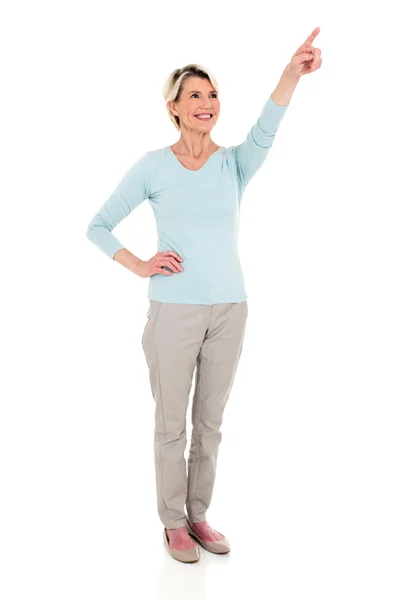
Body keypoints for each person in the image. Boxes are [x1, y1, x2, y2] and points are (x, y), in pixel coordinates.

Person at [86, 28, 322, 563]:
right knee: (172, 424)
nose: (207, 103)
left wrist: (291, 72)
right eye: (195, 94)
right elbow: (98, 226)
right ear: (173, 106)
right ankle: (171, 522)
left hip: (231, 310)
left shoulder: (234, 163)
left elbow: (267, 128)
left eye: (213, 94)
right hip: (173, 310)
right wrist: (141, 264)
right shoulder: (152, 165)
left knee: (210, 424)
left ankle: (198, 515)